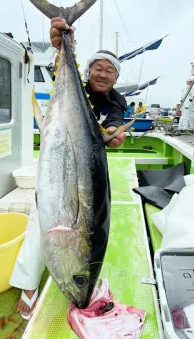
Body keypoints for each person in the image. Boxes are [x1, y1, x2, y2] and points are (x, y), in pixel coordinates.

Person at [11, 18, 127, 319]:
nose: (103, 73)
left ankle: (40, 274)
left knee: (63, 216)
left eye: (110, 70)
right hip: (60, 160)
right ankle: (27, 284)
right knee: (41, 220)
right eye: (98, 67)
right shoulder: (77, 85)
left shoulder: (117, 100)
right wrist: (62, 44)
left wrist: (115, 133)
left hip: (86, 172)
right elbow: (60, 70)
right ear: (87, 71)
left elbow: (115, 121)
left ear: (116, 77)